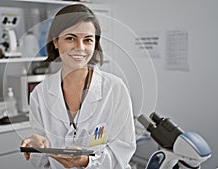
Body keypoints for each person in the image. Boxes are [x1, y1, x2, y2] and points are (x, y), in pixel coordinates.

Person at [21, 4, 136, 169]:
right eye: (70, 38)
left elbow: (123, 153)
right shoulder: (40, 94)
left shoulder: (115, 89)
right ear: (55, 41)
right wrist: (35, 146)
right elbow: (41, 162)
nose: (80, 47)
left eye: (88, 40)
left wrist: (88, 162)